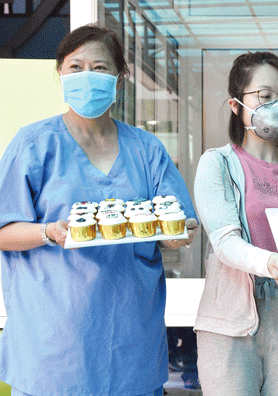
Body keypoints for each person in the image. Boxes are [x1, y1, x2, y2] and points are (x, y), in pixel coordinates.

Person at [0, 24, 198, 395]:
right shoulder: (34, 144)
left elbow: (177, 226)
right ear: (59, 73)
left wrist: (178, 232)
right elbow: (2, 231)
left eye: (101, 68)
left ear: (120, 78)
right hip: (53, 347)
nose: (87, 76)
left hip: (130, 342)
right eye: (76, 67)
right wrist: (48, 232)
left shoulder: (146, 149)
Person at [193, 51, 278, 396]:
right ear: (236, 105)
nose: (276, 105)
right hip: (230, 318)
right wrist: (269, 262)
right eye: (264, 96)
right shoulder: (216, 164)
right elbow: (225, 242)